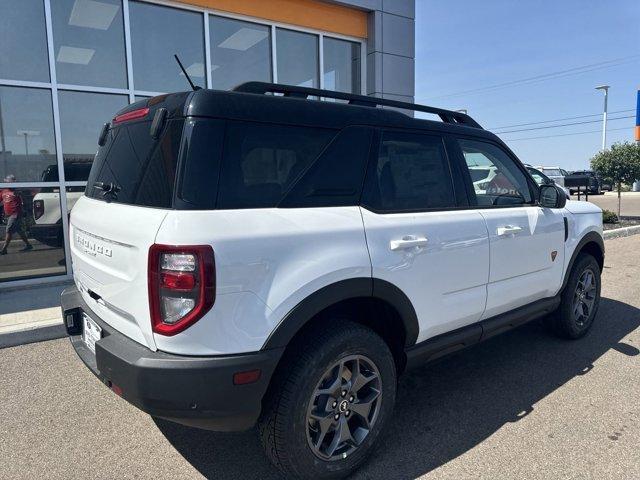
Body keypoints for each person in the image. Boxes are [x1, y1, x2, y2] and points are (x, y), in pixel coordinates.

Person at [1, 175, 33, 255]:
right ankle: (28, 245)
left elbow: (22, 201)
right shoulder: (3, 192)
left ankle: (4, 249)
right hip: (9, 214)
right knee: (19, 231)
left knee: (9, 230)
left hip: (15, 214)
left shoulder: (16, 192)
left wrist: (24, 209)